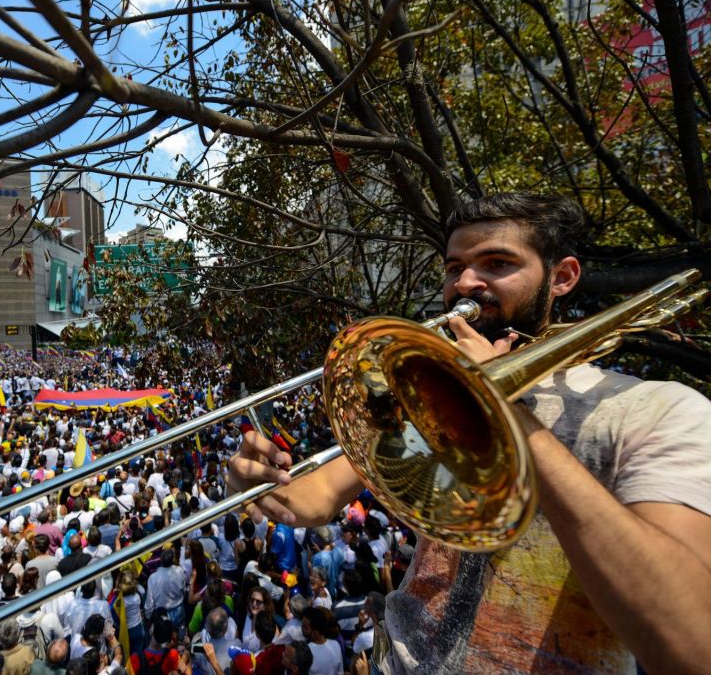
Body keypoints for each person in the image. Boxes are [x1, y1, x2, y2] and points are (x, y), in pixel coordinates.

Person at [227, 192, 711, 674]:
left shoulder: (655, 409)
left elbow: (689, 644)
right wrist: (266, 486)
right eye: (453, 267)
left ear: (561, 277)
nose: (465, 283)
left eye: (497, 263)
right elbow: (323, 495)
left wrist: (503, 407)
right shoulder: (430, 389)